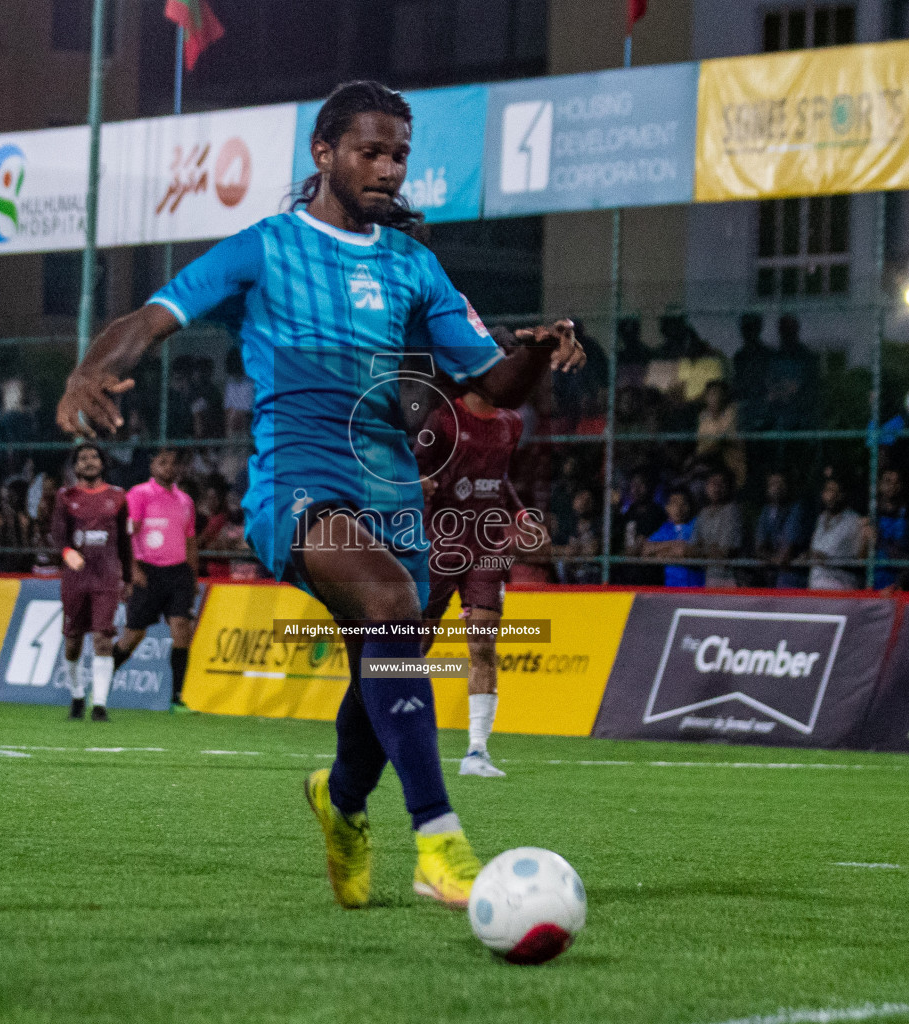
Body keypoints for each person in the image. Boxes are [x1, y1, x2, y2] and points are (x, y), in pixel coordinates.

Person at [54, 81, 584, 912]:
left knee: (385, 664)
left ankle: (339, 804)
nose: (388, 169)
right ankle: (439, 840)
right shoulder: (263, 248)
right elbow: (152, 318)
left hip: (393, 497)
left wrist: (539, 347)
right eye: (371, 151)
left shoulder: (414, 265)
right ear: (324, 153)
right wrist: (92, 367)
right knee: (391, 606)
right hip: (298, 485)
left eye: (400, 154)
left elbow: (493, 382)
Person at [416, 381, 528, 779]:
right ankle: (385, 727)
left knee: (483, 643)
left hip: (487, 545)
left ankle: (477, 752)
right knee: (415, 645)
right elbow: (411, 470)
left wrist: (518, 513)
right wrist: (420, 484)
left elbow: (500, 478)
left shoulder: (511, 423)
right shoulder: (444, 419)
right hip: (440, 543)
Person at [51, 442, 132, 722]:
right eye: (82, 458)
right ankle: (76, 694)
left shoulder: (118, 497)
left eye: (94, 456)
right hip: (75, 579)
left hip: (106, 578)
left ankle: (99, 705)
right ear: (74, 467)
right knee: (72, 642)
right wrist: (67, 552)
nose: (89, 461)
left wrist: (129, 577)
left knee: (102, 640)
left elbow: (124, 541)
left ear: (102, 463)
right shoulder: (66, 496)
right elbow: (58, 535)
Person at [115, 448, 200, 711]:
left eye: (173, 463)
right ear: (151, 464)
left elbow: (190, 540)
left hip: (178, 574)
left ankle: (176, 698)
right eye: (162, 462)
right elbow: (127, 535)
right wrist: (132, 571)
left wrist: (193, 575)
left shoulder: (185, 500)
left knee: (181, 631)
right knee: (133, 636)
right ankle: (100, 680)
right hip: (147, 571)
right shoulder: (139, 494)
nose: (168, 467)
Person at [807, 478, 866, 590]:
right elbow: (814, 549)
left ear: (842, 495)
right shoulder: (821, 519)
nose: (831, 495)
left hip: (841, 588)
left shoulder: (854, 520)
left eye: (835, 491)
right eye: (828, 490)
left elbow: (860, 560)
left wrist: (828, 560)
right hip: (815, 587)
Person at [753, 469, 808, 588]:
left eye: (780, 484)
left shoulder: (797, 509)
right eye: (772, 484)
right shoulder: (767, 511)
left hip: (793, 577)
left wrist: (772, 559)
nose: (776, 488)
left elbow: (785, 555)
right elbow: (759, 548)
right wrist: (771, 558)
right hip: (771, 576)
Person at [693, 468, 743, 588]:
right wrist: (708, 550)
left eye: (721, 483)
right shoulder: (703, 513)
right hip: (710, 576)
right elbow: (693, 546)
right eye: (713, 483)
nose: (717, 487)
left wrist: (701, 550)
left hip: (731, 579)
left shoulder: (732, 511)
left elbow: (725, 551)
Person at [642, 489, 701, 587]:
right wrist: (673, 545)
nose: (679, 508)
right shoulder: (666, 528)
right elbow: (646, 549)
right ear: (667, 507)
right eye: (674, 504)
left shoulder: (697, 524)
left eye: (683, 504)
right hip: (671, 588)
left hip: (696, 588)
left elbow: (684, 550)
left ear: (690, 506)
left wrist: (661, 552)